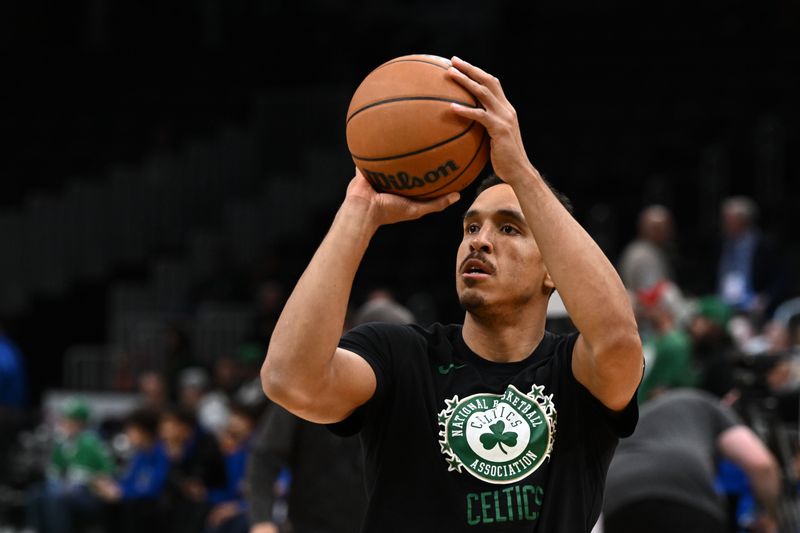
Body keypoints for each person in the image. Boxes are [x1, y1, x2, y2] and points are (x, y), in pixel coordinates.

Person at [261, 56, 643, 532]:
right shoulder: (401, 356)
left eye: (509, 228)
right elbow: (288, 379)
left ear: (554, 272)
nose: (479, 240)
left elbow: (619, 340)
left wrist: (521, 172)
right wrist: (358, 210)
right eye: (471, 226)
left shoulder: (575, 374)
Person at [246, 295, 414, 533]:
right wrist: (261, 520)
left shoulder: (410, 395)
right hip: (312, 525)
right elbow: (265, 455)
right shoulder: (311, 386)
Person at [603, 388, 782, 533]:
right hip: (683, 489)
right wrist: (771, 517)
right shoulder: (711, 407)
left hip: (617, 493)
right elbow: (762, 465)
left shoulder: (646, 413)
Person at [27, 399, 115, 533]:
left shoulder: (93, 443)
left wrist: (89, 479)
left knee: (56, 498)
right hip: (65, 489)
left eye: (70, 421)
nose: (65, 425)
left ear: (81, 423)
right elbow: (54, 468)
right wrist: (56, 480)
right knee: (36, 493)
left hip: (88, 493)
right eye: (64, 420)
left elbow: (109, 471)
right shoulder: (62, 443)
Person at [94, 407, 170, 533]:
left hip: (151, 510)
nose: (127, 433)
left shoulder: (161, 453)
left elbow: (154, 489)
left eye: (131, 429)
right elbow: (128, 480)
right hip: (134, 505)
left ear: (144, 431)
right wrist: (111, 485)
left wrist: (121, 493)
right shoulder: (140, 454)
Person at [160, 405, 228, 533]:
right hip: (187, 498)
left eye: (169, 424)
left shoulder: (206, 442)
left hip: (213, 495)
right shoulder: (170, 446)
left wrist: (177, 457)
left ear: (184, 427)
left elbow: (197, 482)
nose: (164, 430)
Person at [618, 205, 677, 293]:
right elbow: (651, 294)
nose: (667, 232)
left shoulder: (648, 250)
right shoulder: (643, 255)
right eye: (659, 228)